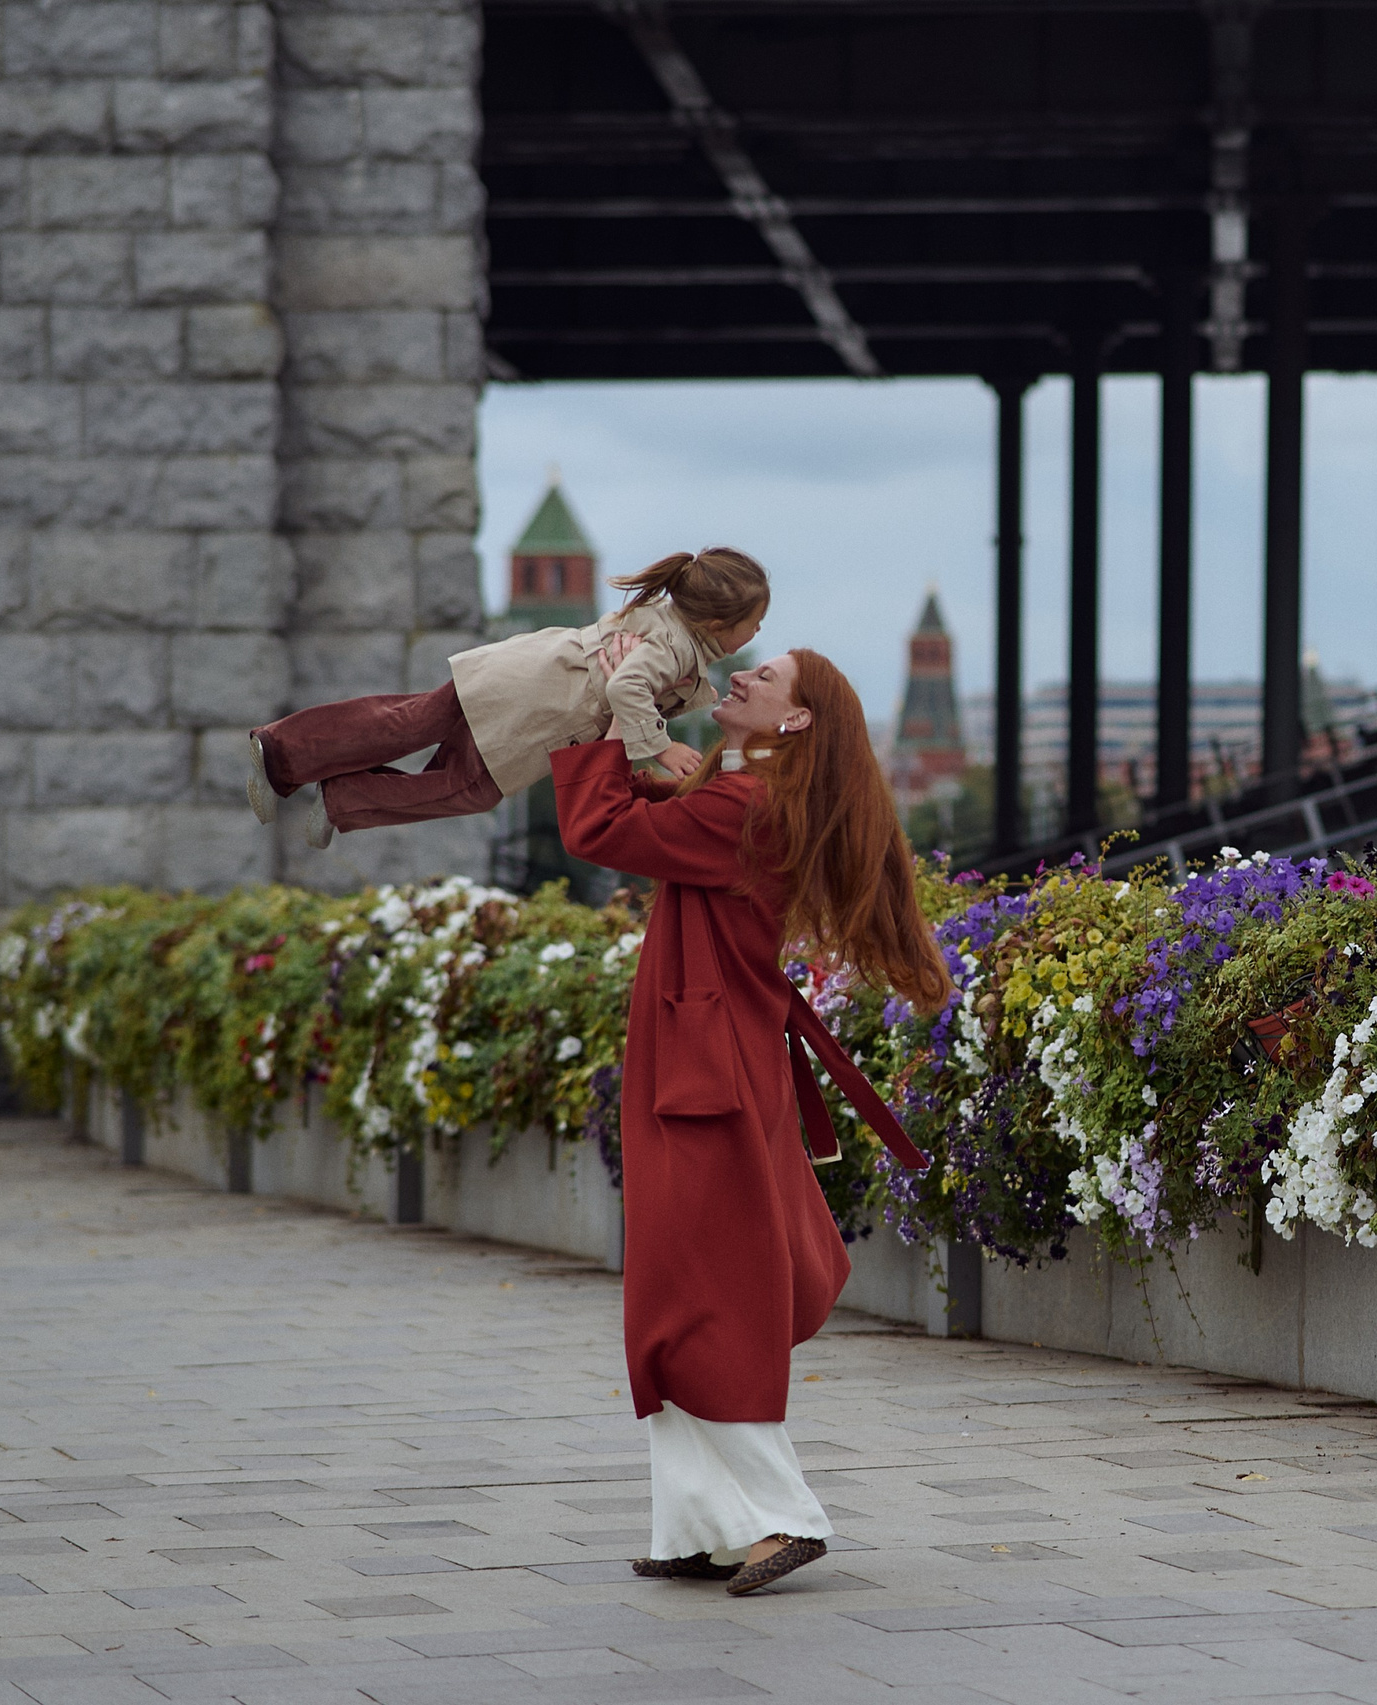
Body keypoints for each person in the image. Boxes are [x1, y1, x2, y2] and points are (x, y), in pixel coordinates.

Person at [551, 647, 952, 1597]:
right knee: (677, 1293)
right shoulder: (748, 794)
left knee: (701, 1299)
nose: (739, 679)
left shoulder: (745, 806)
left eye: (764, 678)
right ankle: (704, 1527)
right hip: (707, 1063)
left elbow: (600, 826)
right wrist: (658, 745)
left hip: (708, 1074)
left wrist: (604, 711)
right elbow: (660, 805)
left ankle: (784, 1515)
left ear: (797, 719)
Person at [246, 547, 770, 849]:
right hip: (537, 709)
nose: (758, 633)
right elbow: (624, 685)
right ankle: (338, 798)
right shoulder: (675, 651)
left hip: (514, 672)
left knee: (407, 721)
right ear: (717, 624)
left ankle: (283, 752)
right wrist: (662, 747)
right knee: (468, 787)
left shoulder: (663, 618)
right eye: (754, 623)